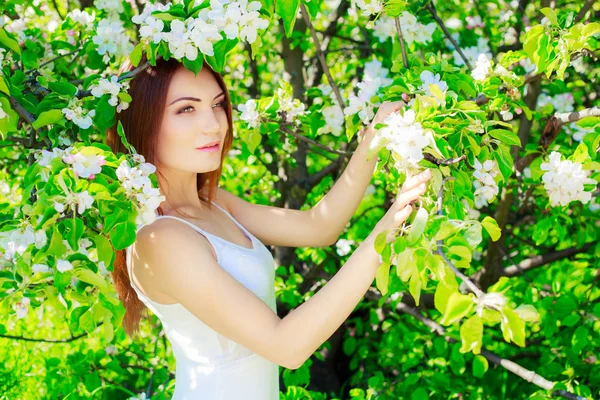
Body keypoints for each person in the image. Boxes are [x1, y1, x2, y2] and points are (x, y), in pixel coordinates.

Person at [106, 56, 432, 399]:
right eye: (186, 109)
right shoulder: (161, 239)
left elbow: (319, 227)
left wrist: (375, 138)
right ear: (141, 121)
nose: (214, 125)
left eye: (217, 105)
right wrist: (384, 232)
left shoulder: (212, 201)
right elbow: (286, 346)